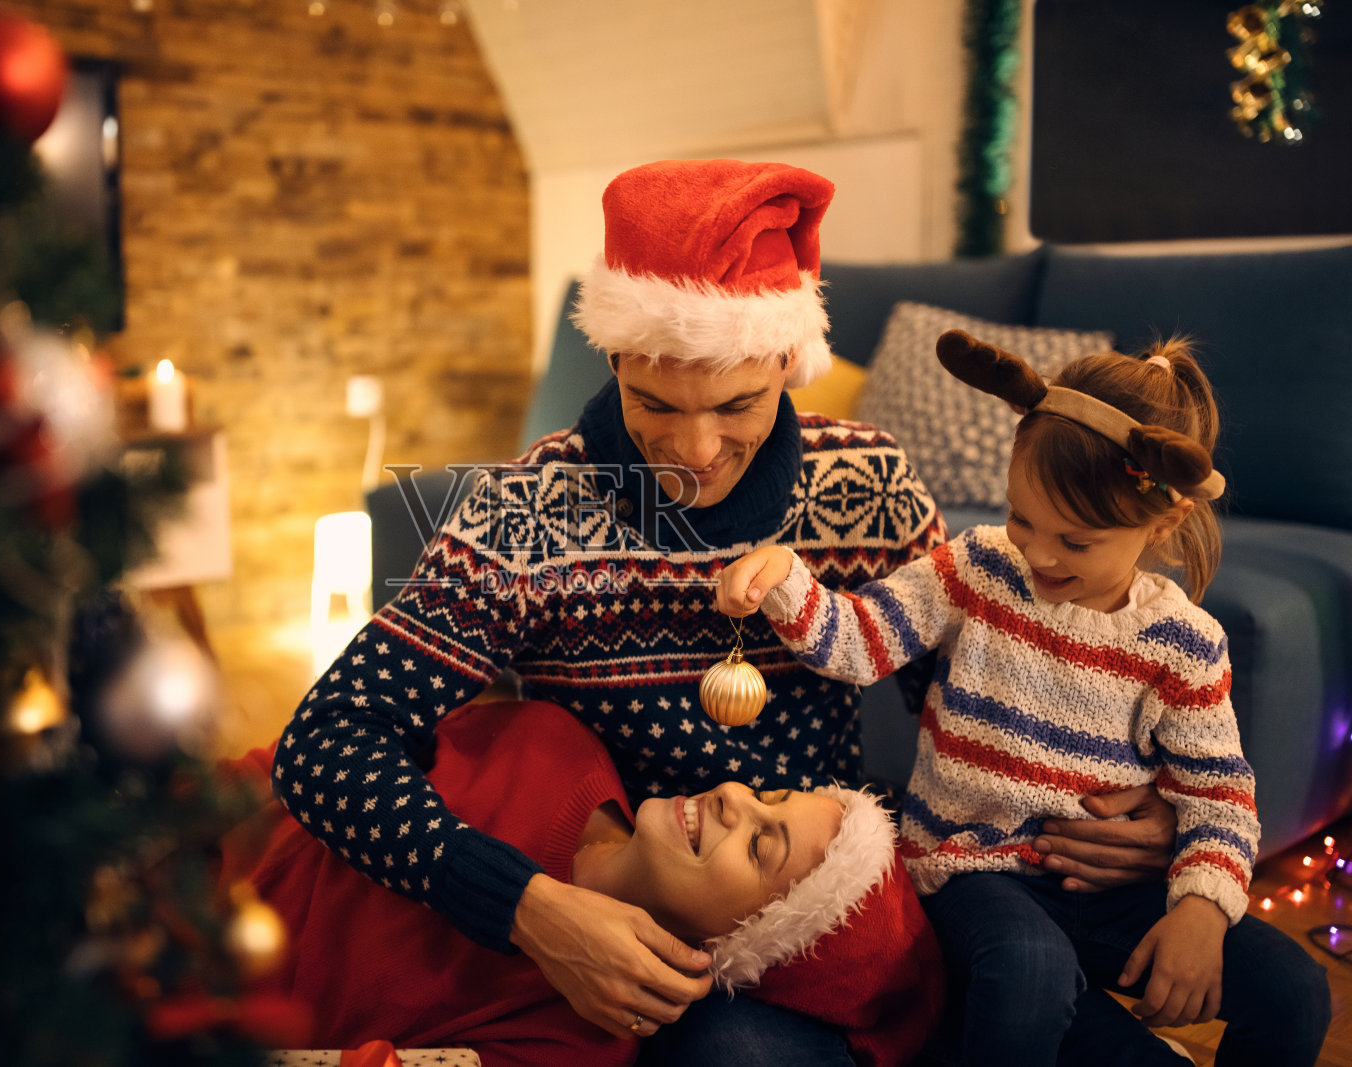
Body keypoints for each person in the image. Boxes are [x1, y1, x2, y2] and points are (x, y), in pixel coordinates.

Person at [274, 158, 1180, 1064]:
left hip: (853, 898)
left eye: (739, 403)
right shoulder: (522, 516)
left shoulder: (866, 482)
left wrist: (1133, 814)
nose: (695, 451)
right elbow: (325, 741)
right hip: (663, 954)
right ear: (615, 354)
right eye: (653, 403)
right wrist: (526, 907)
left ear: (792, 360)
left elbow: (980, 700)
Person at [715, 329, 1331, 1064]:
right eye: (1022, 519)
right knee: (1030, 970)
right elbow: (860, 640)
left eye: (1075, 542)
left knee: (1297, 991)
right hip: (970, 869)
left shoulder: (1185, 642)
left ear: (1159, 523)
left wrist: (1201, 907)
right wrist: (784, 577)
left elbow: (1219, 796)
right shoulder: (981, 566)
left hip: (1106, 893)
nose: (1038, 553)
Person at [224, 699, 943, 1066]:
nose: (734, 797)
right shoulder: (548, 739)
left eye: (761, 848)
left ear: (740, 947)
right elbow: (304, 760)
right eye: (770, 797)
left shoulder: (578, 1042)